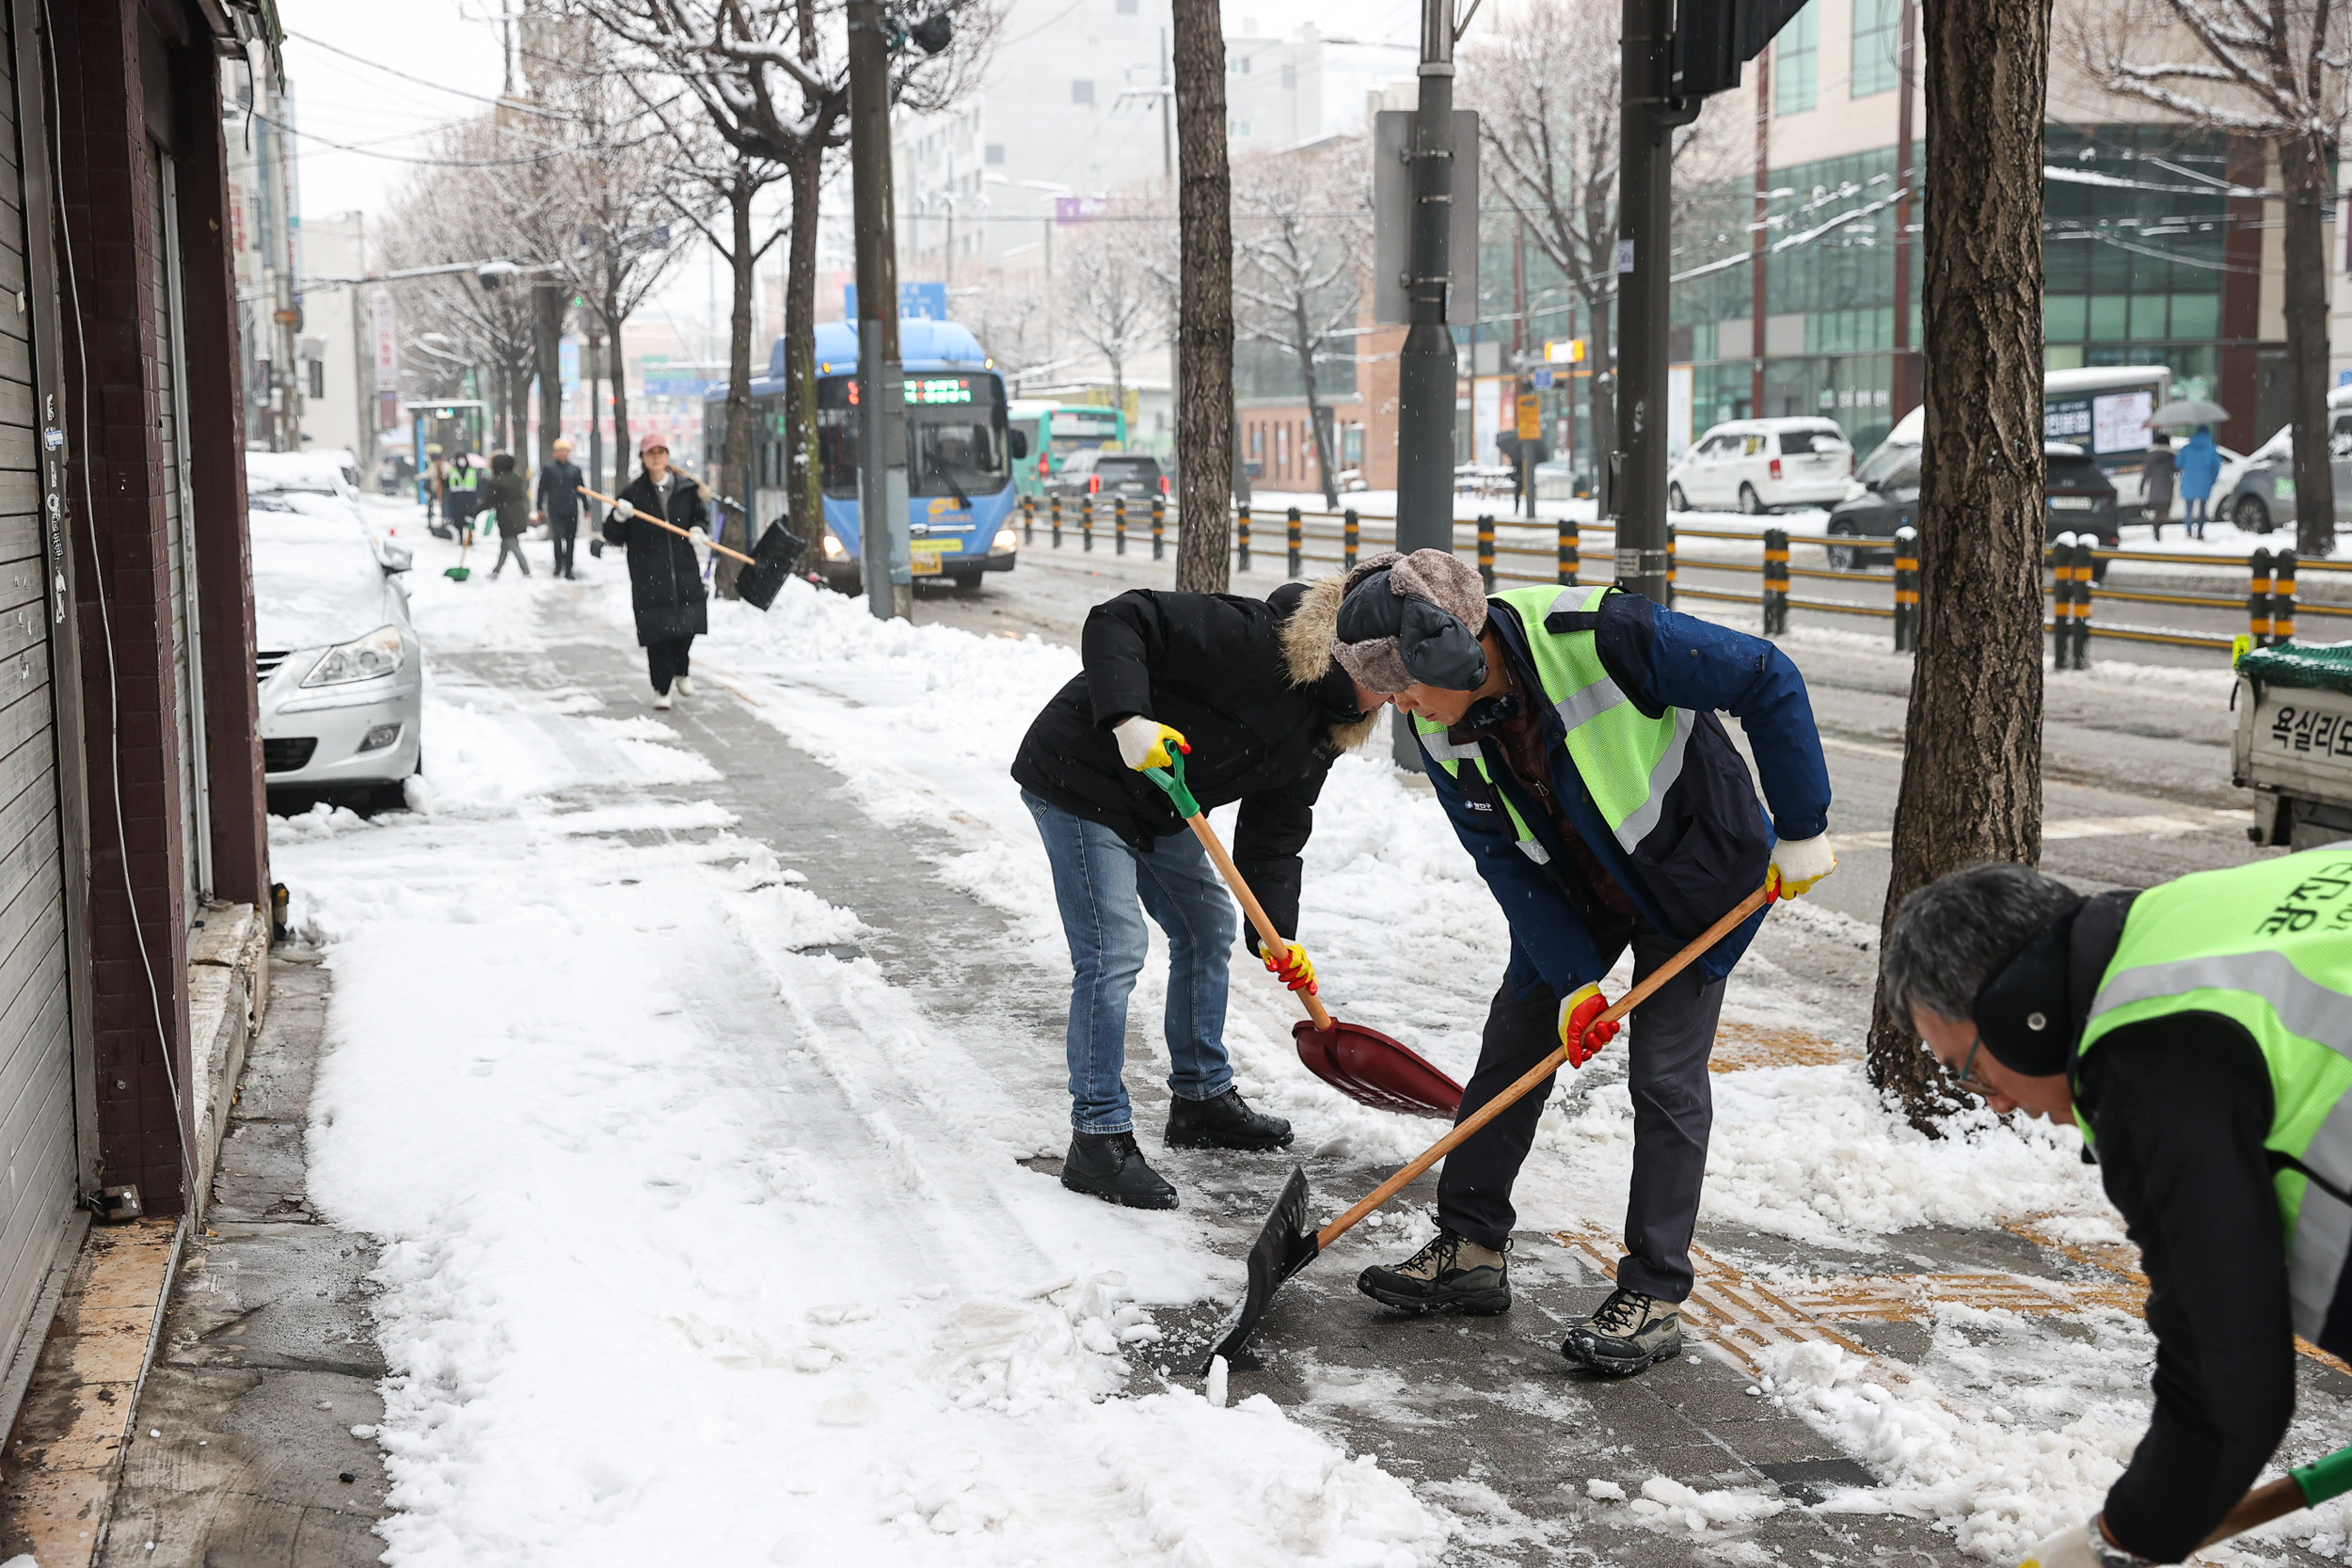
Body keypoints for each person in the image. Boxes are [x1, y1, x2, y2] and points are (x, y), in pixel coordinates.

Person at [1330, 550, 1835, 1373]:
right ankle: (1469, 1247)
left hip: (1695, 876)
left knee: (1665, 1077)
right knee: (1514, 1045)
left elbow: (1767, 676)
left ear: (1449, 651)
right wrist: (1572, 981)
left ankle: (1656, 1291)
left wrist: (1803, 820)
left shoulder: (1599, 634)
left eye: (1406, 684)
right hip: (1573, 889)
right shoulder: (1437, 726)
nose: (1402, 705)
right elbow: (1502, 858)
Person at [1881, 851, 2352, 1568]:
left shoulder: (2149, 1057)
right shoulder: (2189, 918)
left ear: (2022, 1016)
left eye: (1973, 1071)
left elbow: (2226, 1389)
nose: (1998, 1103)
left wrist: (2118, 1541)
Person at [1010, 578, 1384, 1208]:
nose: (1401, 696)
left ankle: (1201, 1097)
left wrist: (1274, 930)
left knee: (1206, 925)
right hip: (1081, 775)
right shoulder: (1251, 639)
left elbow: (1276, 830)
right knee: (1113, 948)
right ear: (1354, 653)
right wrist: (1128, 720)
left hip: (1158, 801)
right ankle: (1096, 1140)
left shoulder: (1333, 723)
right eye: (1395, 677)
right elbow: (1119, 618)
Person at [604, 435, 708, 711]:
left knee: (687, 626)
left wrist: (698, 529)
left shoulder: (685, 490)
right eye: (651, 453)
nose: (656, 457)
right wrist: (619, 516)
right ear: (643, 458)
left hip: (684, 570)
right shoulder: (633, 494)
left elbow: (700, 516)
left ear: (667, 455)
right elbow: (613, 535)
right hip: (649, 573)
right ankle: (661, 688)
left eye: (661, 452)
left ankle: (681, 669)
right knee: (658, 634)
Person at [534, 437, 584, 579]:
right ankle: (558, 566)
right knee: (557, 536)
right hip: (555, 508)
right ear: (555, 453)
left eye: (566, 451)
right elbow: (542, 489)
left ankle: (569, 568)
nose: (564, 454)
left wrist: (586, 507)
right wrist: (539, 507)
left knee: (570, 539)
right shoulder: (549, 470)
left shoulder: (575, 470)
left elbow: (581, 489)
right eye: (561, 451)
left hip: (571, 509)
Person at [482, 453, 532, 579]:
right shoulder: (517, 479)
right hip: (518, 515)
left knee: (513, 545)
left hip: (506, 517)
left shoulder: (497, 481)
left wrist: (474, 512)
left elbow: (489, 501)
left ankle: (526, 571)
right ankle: (496, 571)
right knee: (506, 545)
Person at [2177, 424, 2220, 540]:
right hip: (2204, 482)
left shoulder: (2186, 449)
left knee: (2189, 509)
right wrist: (2211, 480)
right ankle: (2200, 532)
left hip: (2189, 481)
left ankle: (2189, 531)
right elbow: (2216, 467)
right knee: (2202, 509)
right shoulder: (2212, 450)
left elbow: (2178, 464)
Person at [2143, 432, 2176, 542]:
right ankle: (2157, 526)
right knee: (2164, 511)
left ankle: (2156, 527)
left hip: (2154, 486)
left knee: (2158, 510)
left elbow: (2146, 473)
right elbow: (2176, 469)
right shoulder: (2171, 456)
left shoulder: (2151, 455)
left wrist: (2141, 486)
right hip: (2167, 486)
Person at [445, 451, 482, 544]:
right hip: (456, 498)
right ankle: (461, 536)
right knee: (458, 519)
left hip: (469, 497)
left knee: (470, 519)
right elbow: (447, 485)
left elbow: (478, 484)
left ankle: (470, 537)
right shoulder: (452, 471)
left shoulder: (472, 471)